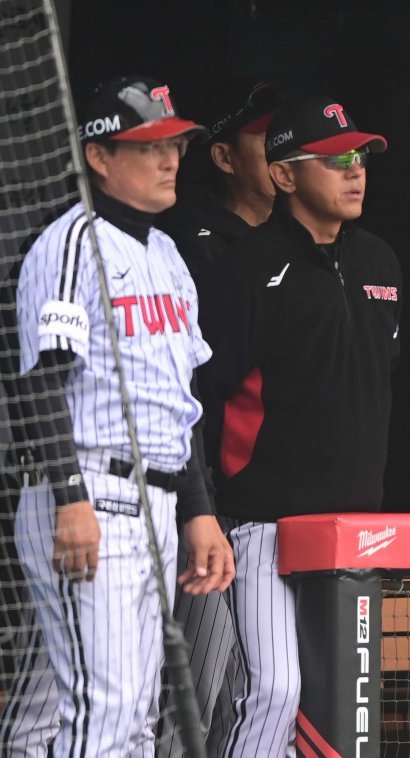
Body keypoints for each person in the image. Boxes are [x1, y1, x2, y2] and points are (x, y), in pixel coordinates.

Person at [0, 75, 234, 756]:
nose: (170, 160)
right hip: (90, 492)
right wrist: (70, 496)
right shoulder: (73, 242)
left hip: (155, 499)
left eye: (175, 146)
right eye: (149, 147)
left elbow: (180, 398)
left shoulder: (166, 254)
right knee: (104, 715)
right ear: (99, 157)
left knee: (129, 718)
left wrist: (197, 509)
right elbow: (39, 382)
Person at [202, 95, 401, 756]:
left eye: (360, 157)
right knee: (275, 690)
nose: (355, 171)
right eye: (334, 160)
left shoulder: (380, 262)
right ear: (285, 174)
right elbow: (209, 396)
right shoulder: (245, 266)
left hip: (354, 529)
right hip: (265, 524)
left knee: (340, 700)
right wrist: (210, 511)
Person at [155, 77, 284, 757]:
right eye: (264, 138)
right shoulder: (185, 240)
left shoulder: (318, 244)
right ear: (226, 157)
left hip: (288, 506)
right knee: (196, 695)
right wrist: (199, 502)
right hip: (211, 502)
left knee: (268, 695)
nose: (282, 148)